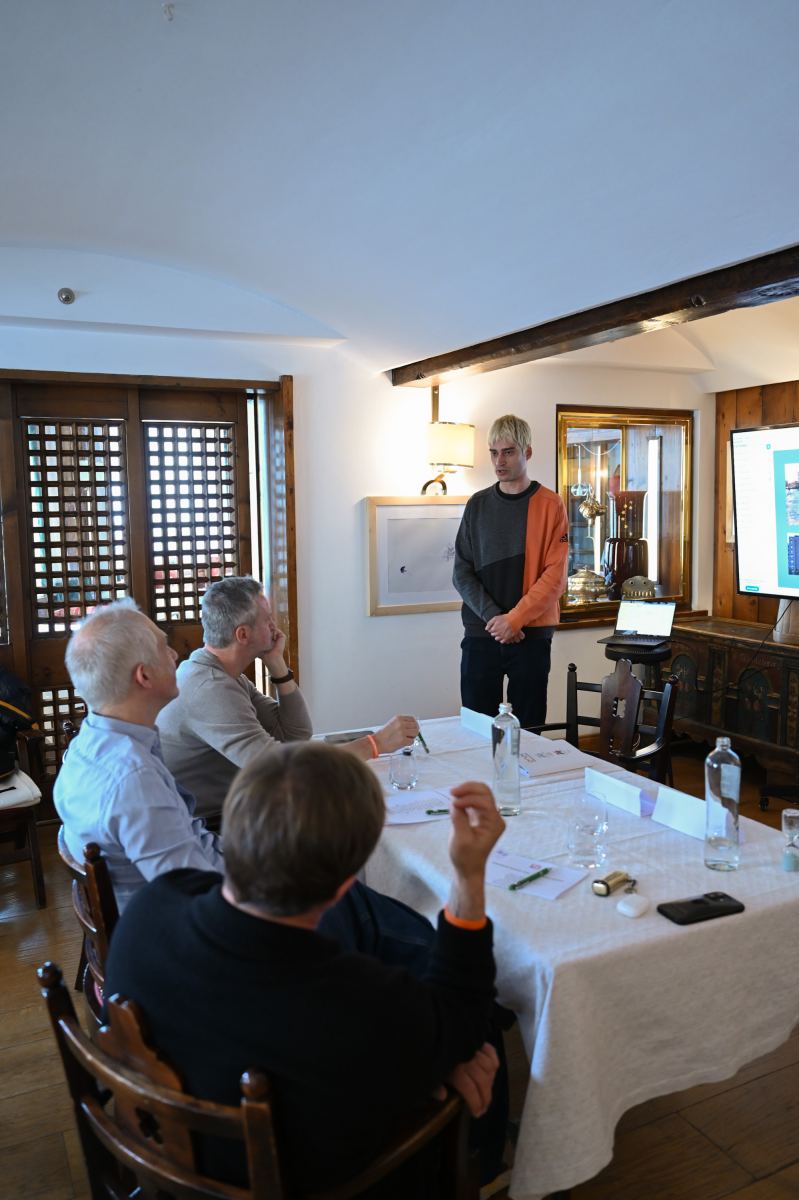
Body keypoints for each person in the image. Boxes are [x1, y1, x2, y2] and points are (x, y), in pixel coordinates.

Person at [104, 742, 505, 1197]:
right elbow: (464, 1018)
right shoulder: (358, 1000)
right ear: (346, 885)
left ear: (232, 830)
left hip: (161, 1160)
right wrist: (468, 875)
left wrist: (429, 1052)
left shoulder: (149, 909)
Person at [157, 575, 420, 819]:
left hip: (237, 810)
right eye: (267, 619)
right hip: (211, 827)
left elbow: (296, 734)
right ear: (243, 634)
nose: (274, 626)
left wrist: (277, 665)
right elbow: (282, 769)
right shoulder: (210, 688)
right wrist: (376, 744)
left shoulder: (225, 675)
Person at [453, 414, 569, 729]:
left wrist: (515, 620)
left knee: (529, 730)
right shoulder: (477, 504)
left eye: (508, 452)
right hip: (482, 632)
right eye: (494, 453)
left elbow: (555, 578)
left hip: (531, 635)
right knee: (476, 729)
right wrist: (497, 620)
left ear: (527, 452)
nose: (499, 461)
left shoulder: (551, 505)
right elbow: (461, 572)